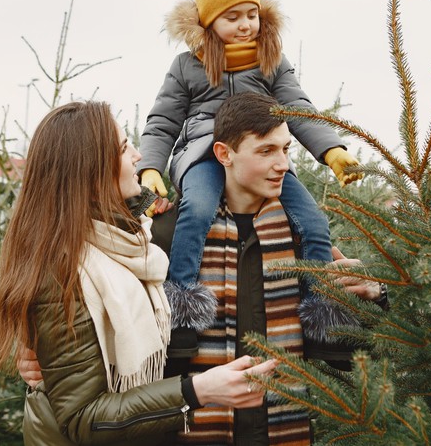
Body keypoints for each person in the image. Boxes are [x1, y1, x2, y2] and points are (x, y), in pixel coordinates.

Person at [0, 101, 277, 446]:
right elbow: (81, 417)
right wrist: (198, 389)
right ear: (91, 169)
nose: (138, 155)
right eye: (124, 148)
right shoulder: (63, 271)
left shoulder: (131, 241)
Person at [163, 92, 386, 445]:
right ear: (224, 154)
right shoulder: (171, 236)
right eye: (266, 151)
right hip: (193, 431)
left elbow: (348, 355)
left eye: (286, 150)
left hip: (282, 431)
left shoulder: (303, 237)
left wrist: (373, 294)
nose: (282, 164)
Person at [138, 0, 364, 294]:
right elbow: (163, 121)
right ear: (209, 21)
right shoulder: (186, 66)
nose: (245, 25)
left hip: (261, 157)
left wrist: (331, 149)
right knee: (196, 211)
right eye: (232, 17)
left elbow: (297, 106)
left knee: (312, 221)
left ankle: (321, 301)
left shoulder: (270, 60)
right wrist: (150, 167)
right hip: (204, 156)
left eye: (251, 14)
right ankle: (182, 298)